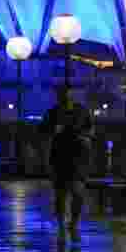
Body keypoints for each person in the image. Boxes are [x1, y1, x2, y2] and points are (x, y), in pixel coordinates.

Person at [40, 89, 93, 239]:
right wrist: (53, 131)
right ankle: (63, 223)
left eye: (68, 96)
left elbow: (90, 129)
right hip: (60, 157)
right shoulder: (53, 113)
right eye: (63, 97)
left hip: (77, 157)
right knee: (61, 194)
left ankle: (72, 223)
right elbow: (43, 131)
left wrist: (85, 137)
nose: (66, 99)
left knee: (77, 192)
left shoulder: (81, 111)